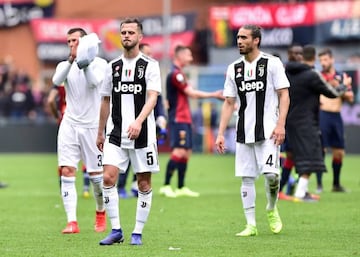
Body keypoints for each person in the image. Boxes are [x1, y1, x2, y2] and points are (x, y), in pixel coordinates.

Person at [215, 24, 290, 237]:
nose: (239, 41)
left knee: (271, 176)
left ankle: (271, 207)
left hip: (268, 130)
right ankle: (250, 225)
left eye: (244, 38)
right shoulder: (234, 68)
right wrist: (221, 133)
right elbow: (229, 102)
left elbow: (284, 94)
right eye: (238, 37)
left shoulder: (272, 63)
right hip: (243, 131)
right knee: (246, 178)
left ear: (256, 40)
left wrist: (281, 124)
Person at [96, 18, 161, 246]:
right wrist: (100, 132)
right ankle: (116, 230)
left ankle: (137, 232)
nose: (126, 36)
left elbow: (152, 96)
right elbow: (105, 100)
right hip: (115, 134)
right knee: (107, 177)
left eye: (131, 32)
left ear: (140, 37)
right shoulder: (111, 66)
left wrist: (139, 121)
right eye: (123, 32)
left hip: (142, 135)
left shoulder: (150, 65)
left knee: (143, 183)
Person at [52, 27, 108, 234]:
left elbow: (94, 83)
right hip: (70, 124)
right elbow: (56, 81)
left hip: (93, 127)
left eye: (75, 40)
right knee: (67, 170)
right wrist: (71, 61)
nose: (71, 44)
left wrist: (84, 64)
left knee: (96, 177)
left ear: (85, 42)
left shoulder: (101, 64)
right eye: (68, 41)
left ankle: (100, 211)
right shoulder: (64, 65)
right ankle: (72, 221)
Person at [285, 45, 349, 201]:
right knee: (314, 154)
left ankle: (280, 190)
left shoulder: (285, 73)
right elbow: (333, 93)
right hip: (307, 121)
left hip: (288, 120)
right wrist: (344, 85)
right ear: (312, 58)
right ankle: (301, 191)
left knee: (292, 156)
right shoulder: (311, 75)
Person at [159, 45, 223, 198]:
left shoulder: (180, 74)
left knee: (186, 152)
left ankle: (181, 187)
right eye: (188, 55)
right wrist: (213, 94)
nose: (191, 58)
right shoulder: (176, 74)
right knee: (179, 150)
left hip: (185, 119)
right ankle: (166, 185)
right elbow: (192, 94)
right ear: (179, 56)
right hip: (178, 118)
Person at [116, 42, 167, 199]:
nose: (149, 56)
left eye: (151, 53)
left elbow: (157, 99)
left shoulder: (151, 70)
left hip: (147, 126)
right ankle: (121, 187)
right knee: (128, 159)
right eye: (147, 52)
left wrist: (161, 118)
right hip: (128, 124)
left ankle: (133, 185)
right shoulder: (127, 71)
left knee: (142, 163)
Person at [317, 48, 354, 193]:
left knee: (339, 152)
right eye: (321, 61)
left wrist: (338, 88)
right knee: (321, 150)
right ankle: (319, 185)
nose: (323, 63)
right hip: (322, 115)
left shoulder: (341, 76)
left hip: (336, 116)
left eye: (325, 60)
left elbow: (350, 97)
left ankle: (336, 184)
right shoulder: (318, 76)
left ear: (332, 60)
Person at [47, 84, 91, 198]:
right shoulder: (83, 78)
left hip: (66, 122)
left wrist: (57, 116)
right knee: (86, 156)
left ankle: (63, 189)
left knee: (64, 158)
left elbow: (51, 100)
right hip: (85, 120)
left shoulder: (61, 80)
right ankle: (86, 188)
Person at [278, 43, 304, 201]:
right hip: (286, 119)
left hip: (301, 119)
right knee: (290, 154)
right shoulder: (283, 73)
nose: (297, 56)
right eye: (294, 53)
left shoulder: (307, 72)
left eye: (300, 53)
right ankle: (290, 187)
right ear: (289, 55)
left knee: (293, 155)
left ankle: (292, 186)